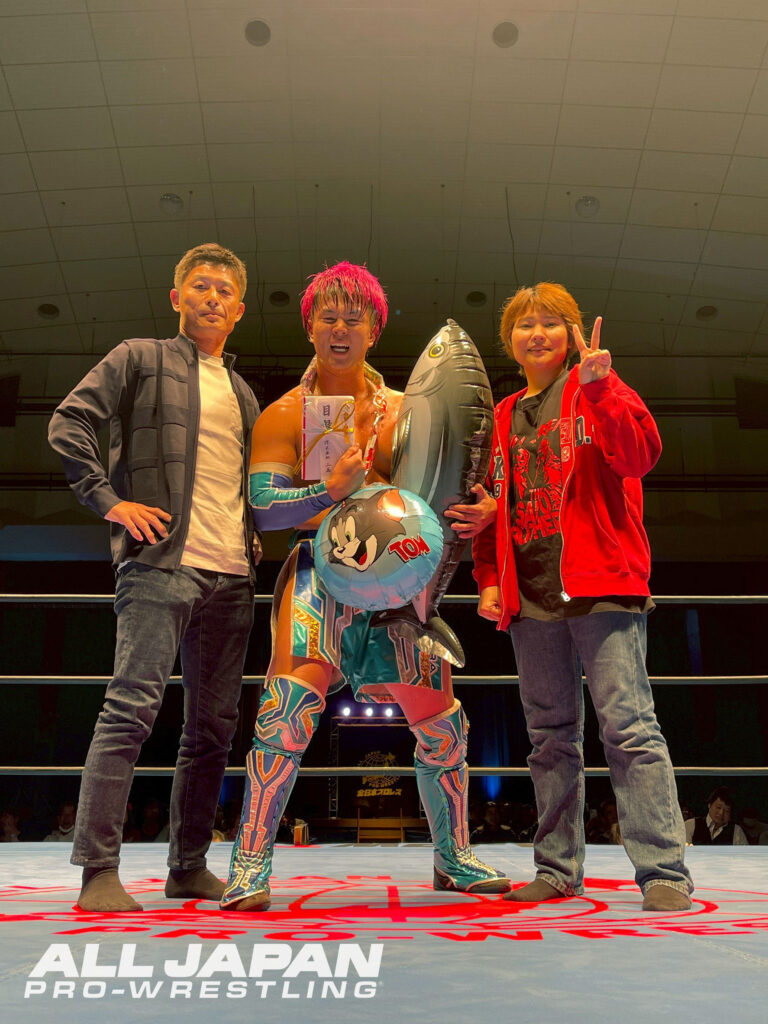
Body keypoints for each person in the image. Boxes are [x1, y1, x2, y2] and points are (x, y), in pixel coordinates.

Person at [220, 261, 509, 910]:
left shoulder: (408, 411)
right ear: (310, 328)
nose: (340, 329)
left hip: (398, 578)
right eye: (328, 317)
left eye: (353, 318)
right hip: (318, 572)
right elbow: (263, 507)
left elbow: (451, 486)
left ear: (375, 329)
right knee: (286, 711)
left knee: (442, 724)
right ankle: (249, 862)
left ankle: (453, 857)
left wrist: (478, 509)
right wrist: (329, 490)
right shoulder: (286, 414)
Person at [48, 243, 260, 912]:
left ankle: (188, 865)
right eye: (200, 286)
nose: (212, 298)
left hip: (233, 576)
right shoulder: (139, 356)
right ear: (177, 298)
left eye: (224, 290)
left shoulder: (245, 393)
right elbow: (68, 421)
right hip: (161, 564)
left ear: (239, 309)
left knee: (213, 731)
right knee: (130, 709)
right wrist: (109, 501)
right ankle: (98, 871)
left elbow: (253, 485)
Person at [468, 282, 693, 912]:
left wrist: (601, 388)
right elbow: (491, 505)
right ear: (510, 340)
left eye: (550, 322)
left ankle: (664, 871)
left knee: (629, 728)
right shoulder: (504, 414)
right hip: (531, 596)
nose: (536, 333)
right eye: (524, 324)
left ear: (570, 334)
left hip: (601, 585)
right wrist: (490, 579)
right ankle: (557, 868)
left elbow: (640, 456)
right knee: (548, 738)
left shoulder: (597, 387)